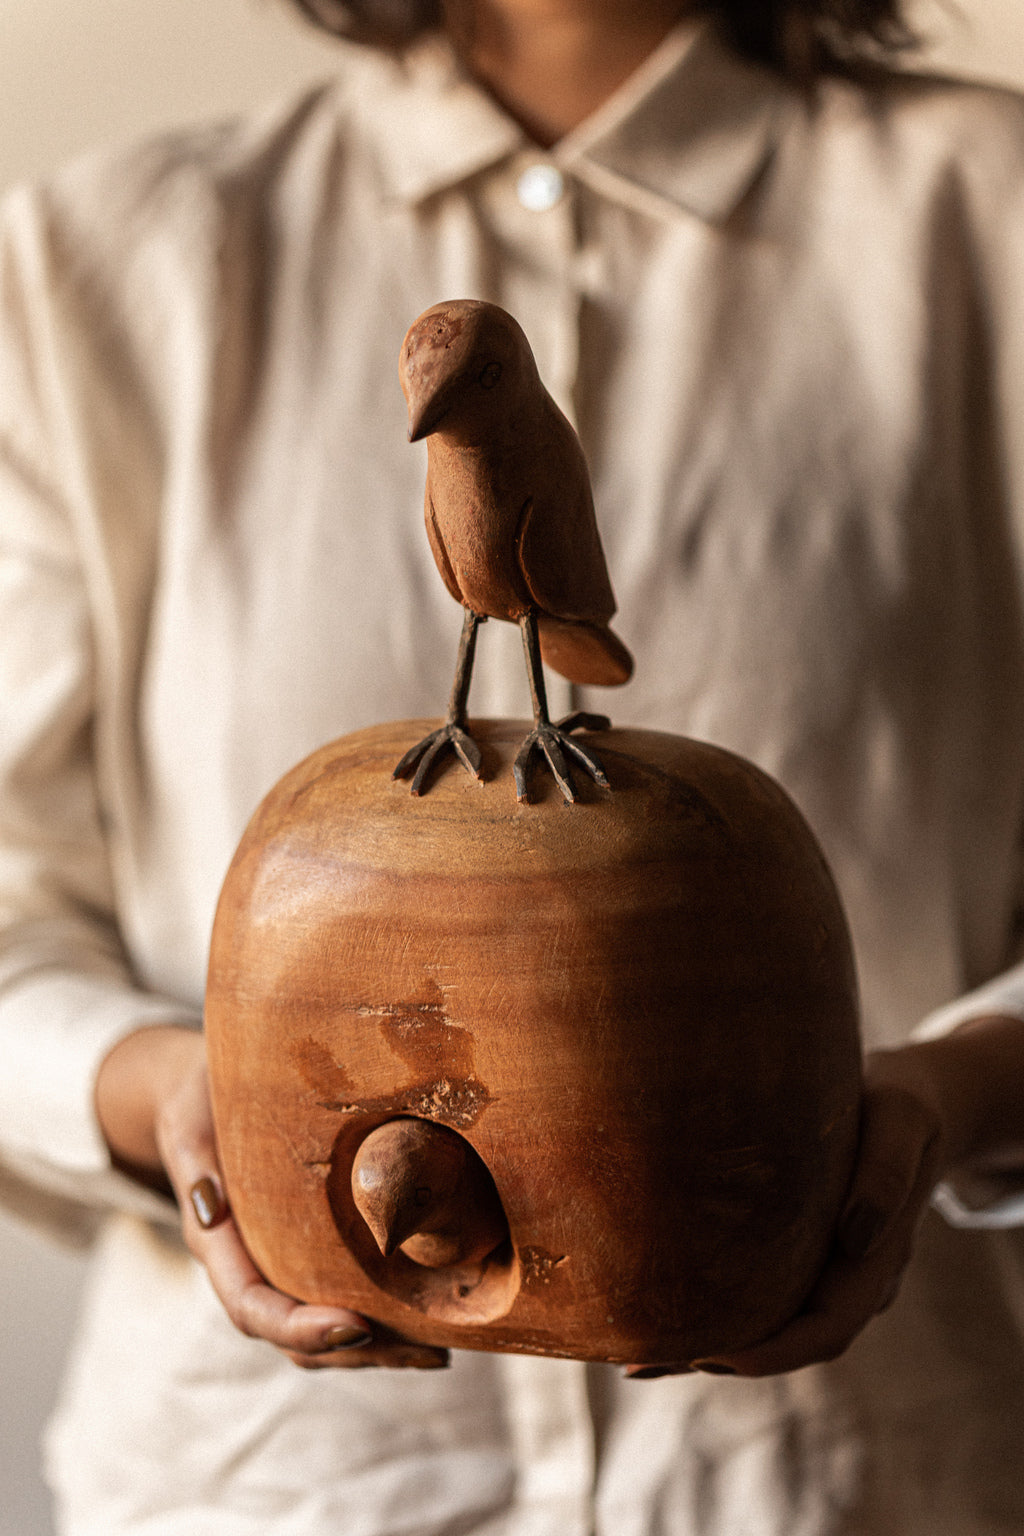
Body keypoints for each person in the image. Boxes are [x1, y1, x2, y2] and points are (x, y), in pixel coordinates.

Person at [2, 0, 1024, 1529]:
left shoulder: (987, 222)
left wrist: (952, 1090)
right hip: (265, 1488)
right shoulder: (103, 262)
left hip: (849, 1481)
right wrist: (169, 1098)